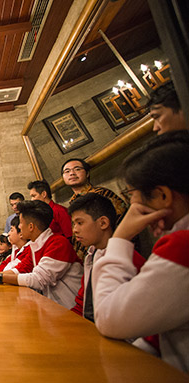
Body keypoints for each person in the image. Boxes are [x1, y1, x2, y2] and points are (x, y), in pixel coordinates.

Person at [93, 130, 189, 372]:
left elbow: (108, 317)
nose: (133, 209)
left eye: (133, 198)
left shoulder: (182, 246)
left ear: (163, 195)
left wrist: (121, 237)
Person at [0, 200, 82, 309]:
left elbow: (39, 280)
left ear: (31, 227)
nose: (20, 227)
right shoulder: (35, 244)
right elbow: (23, 268)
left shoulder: (58, 243)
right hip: (53, 307)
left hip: (70, 308)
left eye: (21, 223)